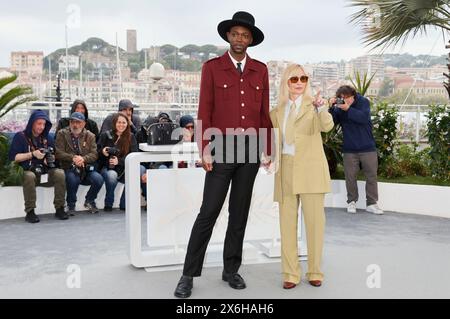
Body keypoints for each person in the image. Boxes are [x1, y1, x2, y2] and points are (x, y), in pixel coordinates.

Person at [174, 11, 272, 299]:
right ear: (228, 36)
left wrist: (268, 149)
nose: (240, 39)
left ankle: (231, 270)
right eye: (236, 34)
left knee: (239, 213)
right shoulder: (212, 68)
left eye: (245, 35)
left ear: (250, 40)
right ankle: (188, 274)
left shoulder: (261, 70)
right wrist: (203, 148)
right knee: (209, 212)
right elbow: (204, 110)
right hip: (221, 148)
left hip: (251, 149)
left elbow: (264, 112)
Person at [269, 64, 334, 289]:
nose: (299, 83)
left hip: (311, 171)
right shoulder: (276, 111)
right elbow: (273, 141)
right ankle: (290, 273)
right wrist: (267, 156)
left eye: (303, 79)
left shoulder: (314, 105)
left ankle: (315, 271)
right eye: (294, 79)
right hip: (285, 169)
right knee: (287, 225)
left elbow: (327, 127)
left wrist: (322, 108)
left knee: (315, 224)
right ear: (286, 82)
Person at [328, 85, 384, 215]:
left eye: (346, 98)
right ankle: (351, 202)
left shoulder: (363, 102)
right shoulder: (339, 107)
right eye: (341, 98)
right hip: (349, 149)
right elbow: (332, 122)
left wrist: (348, 109)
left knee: (371, 176)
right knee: (350, 177)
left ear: (353, 96)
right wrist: (331, 107)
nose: (344, 101)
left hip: (367, 147)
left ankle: (372, 203)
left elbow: (363, 118)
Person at [8, 110, 67, 223]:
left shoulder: (47, 138)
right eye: (39, 123)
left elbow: (54, 156)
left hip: (44, 173)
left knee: (60, 173)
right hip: (28, 174)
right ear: (32, 123)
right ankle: (30, 212)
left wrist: (50, 160)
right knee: (29, 175)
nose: (41, 127)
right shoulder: (20, 137)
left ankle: (59, 208)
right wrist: (32, 154)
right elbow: (14, 157)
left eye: (44, 124)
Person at [55, 112, 104, 214]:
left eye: (78, 122)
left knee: (98, 179)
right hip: (69, 167)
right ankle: (71, 205)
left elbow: (94, 154)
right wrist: (73, 158)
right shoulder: (62, 134)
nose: (75, 125)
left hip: (86, 168)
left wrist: (83, 159)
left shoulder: (90, 136)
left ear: (84, 124)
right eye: (72, 122)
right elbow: (58, 153)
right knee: (72, 179)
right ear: (69, 123)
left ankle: (90, 200)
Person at [97, 113, 144, 211]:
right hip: (108, 167)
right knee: (111, 175)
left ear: (127, 124)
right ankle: (109, 202)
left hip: (125, 168)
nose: (121, 125)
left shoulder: (131, 137)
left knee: (140, 169)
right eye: (119, 122)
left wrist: (119, 161)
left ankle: (124, 202)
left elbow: (134, 155)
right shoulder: (105, 135)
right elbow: (96, 153)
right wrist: (103, 152)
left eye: (124, 122)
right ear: (114, 123)